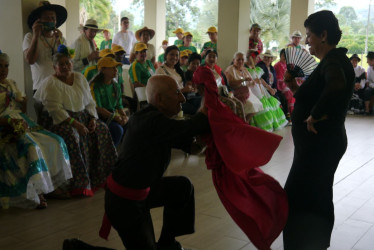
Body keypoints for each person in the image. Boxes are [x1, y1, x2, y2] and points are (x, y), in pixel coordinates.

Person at [101, 74, 210, 250]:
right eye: (177, 93)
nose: (182, 98)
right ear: (160, 99)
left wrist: (205, 140)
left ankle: (168, 243)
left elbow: (192, 147)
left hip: (144, 192)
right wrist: (208, 107)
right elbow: (192, 126)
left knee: (182, 187)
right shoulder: (149, 121)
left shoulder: (161, 123)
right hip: (124, 203)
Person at [282, 10, 355, 250]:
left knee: (296, 196)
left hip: (318, 146)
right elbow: (316, 94)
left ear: (323, 35)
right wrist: (294, 87)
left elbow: (336, 85)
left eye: (309, 35)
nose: (305, 41)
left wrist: (315, 114)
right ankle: (316, 244)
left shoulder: (333, 61)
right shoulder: (334, 60)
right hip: (321, 144)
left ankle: (301, 244)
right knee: (318, 195)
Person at [34, 48, 118, 197]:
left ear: (72, 64)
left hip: (82, 116)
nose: (65, 66)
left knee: (101, 128)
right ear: (55, 68)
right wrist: (77, 124)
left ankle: (103, 176)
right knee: (73, 135)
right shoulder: (50, 83)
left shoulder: (79, 78)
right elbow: (56, 110)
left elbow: (90, 102)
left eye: (68, 63)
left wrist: (92, 119)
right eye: (61, 64)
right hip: (59, 120)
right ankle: (79, 183)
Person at [0, 51, 72, 209]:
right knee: (32, 147)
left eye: (6, 66)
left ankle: (51, 186)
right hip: (4, 126)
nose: (3, 70)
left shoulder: (11, 83)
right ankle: (36, 191)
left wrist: (23, 104)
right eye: (0, 66)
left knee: (55, 140)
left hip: (19, 120)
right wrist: (11, 121)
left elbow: (21, 108)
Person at [23, 1, 67, 92]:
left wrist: (60, 43)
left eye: (53, 18)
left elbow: (66, 64)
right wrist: (36, 36)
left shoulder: (61, 39)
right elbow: (30, 60)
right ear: (39, 20)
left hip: (60, 86)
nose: (50, 21)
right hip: (40, 88)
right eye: (47, 18)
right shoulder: (30, 37)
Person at [245, 51, 288, 131]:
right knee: (265, 107)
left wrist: (269, 88)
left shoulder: (257, 68)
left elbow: (261, 79)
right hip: (251, 89)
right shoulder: (245, 68)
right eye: (256, 58)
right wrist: (254, 81)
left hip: (259, 88)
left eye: (258, 58)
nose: (258, 60)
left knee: (272, 104)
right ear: (251, 58)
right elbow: (246, 80)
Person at [90, 57, 128, 146]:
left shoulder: (115, 86)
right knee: (118, 129)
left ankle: (121, 152)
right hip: (99, 117)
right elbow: (98, 108)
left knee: (130, 125)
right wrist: (115, 117)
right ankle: (111, 154)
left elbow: (119, 106)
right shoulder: (95, 86)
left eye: (116, 67)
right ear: (103, 70)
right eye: (112, 68)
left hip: (112, 114)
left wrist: (124, 116)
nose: (115, 70)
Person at [155, 46, 201, 115]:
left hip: (184, 98)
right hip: (171, 102)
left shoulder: (178, 70)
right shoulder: (161, 70)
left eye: (177, 55)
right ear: (165, 56)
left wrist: (190, 88)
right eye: (172, 54)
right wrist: (183, 90)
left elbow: (183, 86)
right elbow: (163, 92)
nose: (174, 57)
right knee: (197, 109)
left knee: (204, 101)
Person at [225, 52, 263, 123]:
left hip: (246, 92)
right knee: (251, 105)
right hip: (236, 93)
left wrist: (254, 81)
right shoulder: (230, 69)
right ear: (234, 60)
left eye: (242, 59)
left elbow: (251, 82)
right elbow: (231, 84)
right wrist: (243, 79)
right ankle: (243, 123)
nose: (240, 61)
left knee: (259, 104)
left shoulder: (244, 69)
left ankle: (245, 122)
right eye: (238, 59)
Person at [257, 50, 289, 118]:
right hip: (263, 89)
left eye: (269, 58)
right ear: (263, 58)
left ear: (272, 59)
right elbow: (260, 78)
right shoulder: (260, 66)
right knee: (277, 99)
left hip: (271, 89)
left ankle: (286, 117)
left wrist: (274, 88)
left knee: (283, 98)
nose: (267, 59)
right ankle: (279, 117)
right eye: (266, 57)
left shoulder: (272, 68)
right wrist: (270, 89)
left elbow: (275, 81)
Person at [274, 48, 295, 115]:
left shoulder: (288, 65)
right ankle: (290, 114)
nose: (285, 57)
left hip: (288, 83)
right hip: (281, 85)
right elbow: (279, 79)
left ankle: (296, 112)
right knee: (290, 93)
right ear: (280, 56)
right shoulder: (277, 65)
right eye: (284, 55)